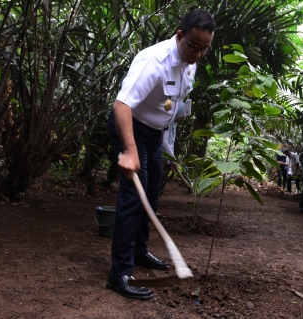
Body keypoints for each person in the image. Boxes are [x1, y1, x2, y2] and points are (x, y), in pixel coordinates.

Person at [106, 9, 216, 300]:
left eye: (204, 48)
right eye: (193, 45)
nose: (198, 54)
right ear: (180, 35)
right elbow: (122, 106)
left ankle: (139, 251)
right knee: (133, 198)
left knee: (151, 195)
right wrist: (129, 150)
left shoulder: (191, 61)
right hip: (131, 130)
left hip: (155, 136)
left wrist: (166, 139)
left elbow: (173, 103)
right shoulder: (153, 60)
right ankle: (119, 274)